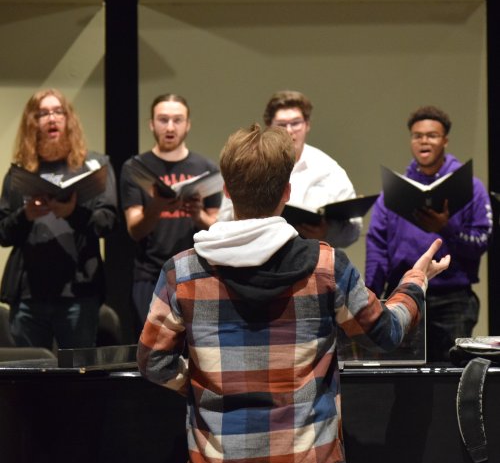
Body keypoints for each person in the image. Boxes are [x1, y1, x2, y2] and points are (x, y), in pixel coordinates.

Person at [137, 123, 450, 463]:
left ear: (226, 191)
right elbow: (386, 333)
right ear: (286, 193)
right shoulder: (327, 266)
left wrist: (203, 385)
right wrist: (415, 282)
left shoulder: (182, 271)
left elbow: (153, 362)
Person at [365, 105, 492, 362]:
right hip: (402, 293)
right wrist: (372, 295)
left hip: (452, 298)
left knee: (450, 376)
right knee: (401, 378)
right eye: (417, 135)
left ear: (445, 140)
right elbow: (377, 245)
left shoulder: (471, 187)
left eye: (432, 135)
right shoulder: (395, 191)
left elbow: (482, 241)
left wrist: (445, 228)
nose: (424, 141)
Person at [0, 88, 118, 349]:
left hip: (78, 294)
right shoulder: (19, 173)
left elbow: (108, 222)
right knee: (29, 380)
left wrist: (72, 213)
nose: (51, 118)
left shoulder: (94, 166)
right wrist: (26, 215)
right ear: (33, 122)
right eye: (43, 113)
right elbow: (3, 233)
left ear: (68, 119)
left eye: (58, 112)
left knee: (76, 379)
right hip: (29, 296)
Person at [120, 93, 221, 337]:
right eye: (163, 120)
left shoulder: (206, 168)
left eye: (177, 120)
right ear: (151, 124)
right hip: (150, 274)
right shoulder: (135, 168)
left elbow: (217, 227)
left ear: (188, 125)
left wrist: (198, 216)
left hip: (196, 272)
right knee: (152, 346)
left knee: (196, 346)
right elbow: (134, 229)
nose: (170, 127)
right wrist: (157, 205)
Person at [217, 90, 362, 248]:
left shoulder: (329, 170)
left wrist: (326, 233)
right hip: (252, 253)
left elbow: (353, 230)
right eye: (281, 125)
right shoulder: (249, 162)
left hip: (310, 257)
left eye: (295, 123)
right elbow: (225, 218)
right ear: (269, 127)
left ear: (307, 125)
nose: (289, 131)